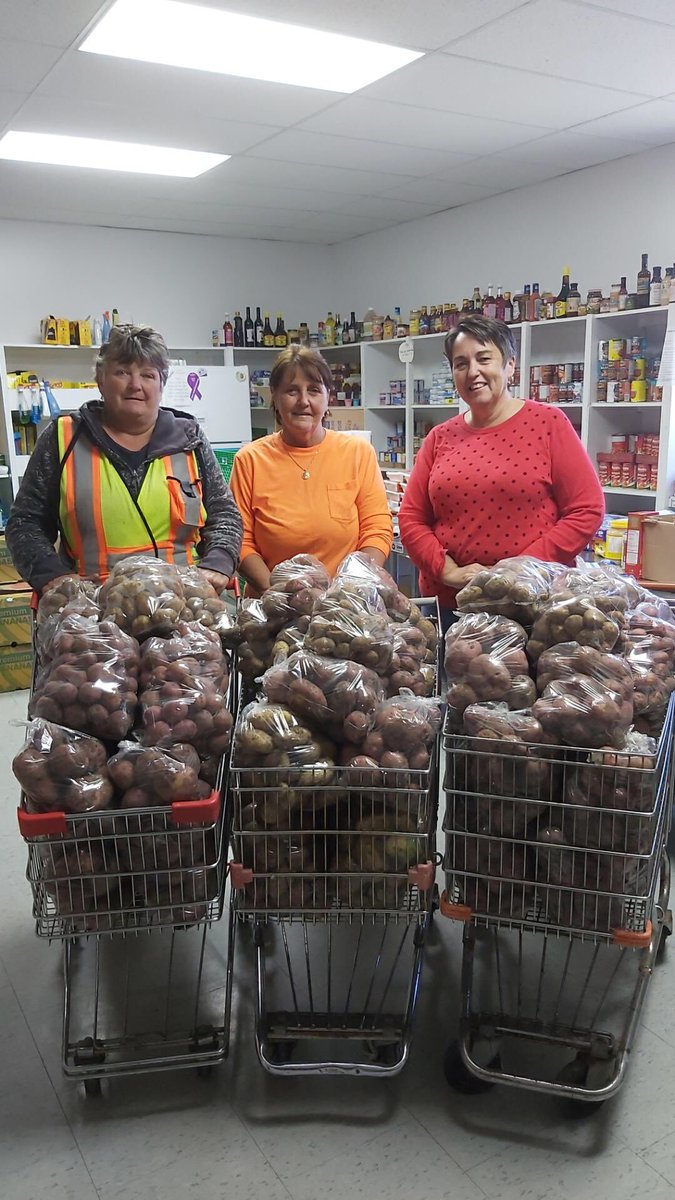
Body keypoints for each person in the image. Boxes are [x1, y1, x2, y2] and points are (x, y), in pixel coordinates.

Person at [6, 324, 243, 594]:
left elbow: (225, 514)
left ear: (162, 384)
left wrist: (218, 562)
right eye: (122, 372)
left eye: (148, 375)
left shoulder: (190, 438)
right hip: (92, 606)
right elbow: (25, 522)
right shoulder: (63, 437)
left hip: (183, 604)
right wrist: (52, 575)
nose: (135, 385)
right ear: (100, 379)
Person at [399, 314, 604, 623]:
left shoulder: (548, 424)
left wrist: (521, 569)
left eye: (484, 359)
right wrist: (447, 570)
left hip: (532, 606)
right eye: (461, 364)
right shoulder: (439, 437)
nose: (473, 372)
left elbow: (586, 509)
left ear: (510, 365)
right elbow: (412, 518)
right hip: (452, 605)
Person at [230, 345, 393, 594]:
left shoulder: (358, 453)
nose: (303, 401)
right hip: (272, 604)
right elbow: (240, 539)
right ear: (275, 396)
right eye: (292, 391)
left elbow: (377, 528)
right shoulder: (250, 460)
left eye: (314, 390)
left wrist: (352, 588)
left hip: (345, 602)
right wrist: (279, 594)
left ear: (328, 397)